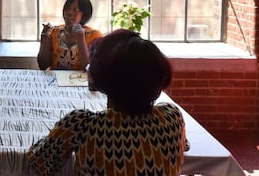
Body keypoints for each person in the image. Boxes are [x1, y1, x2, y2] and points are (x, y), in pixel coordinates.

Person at [28, 29, 187, 176]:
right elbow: (183, 146)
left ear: (99, 77)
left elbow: (40, 162)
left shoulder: (82, 125)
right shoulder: (171, 117)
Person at [37, 0, 102, 70]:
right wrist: (44, 36)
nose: (69, 12)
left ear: (85, 13)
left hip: (80, 81)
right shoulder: (54, 32)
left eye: (76, 10)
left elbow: (88, 68)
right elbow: (43, 65)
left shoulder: (94, 36)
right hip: (56, 80)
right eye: (67, 8)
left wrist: (80, 38)